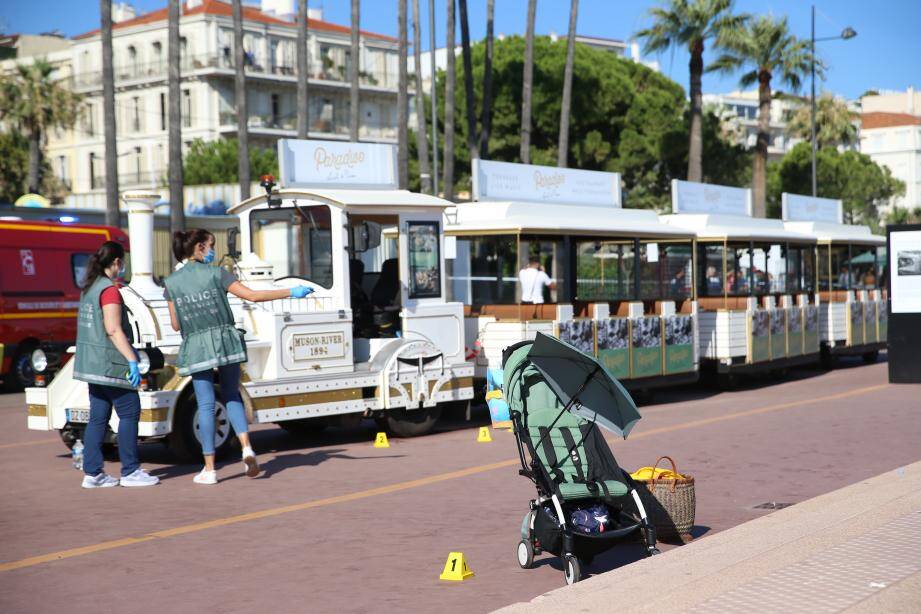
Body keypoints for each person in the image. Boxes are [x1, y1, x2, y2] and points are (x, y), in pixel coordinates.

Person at [164, 229, 314, 485]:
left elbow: (176, 325)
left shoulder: (171, 283)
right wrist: (292, 292)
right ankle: (246, 447)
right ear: (200, 247)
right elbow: (253, 296)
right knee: (231, 393)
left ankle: (210, 469)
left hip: (197, 344)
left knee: (206, 404)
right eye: (210, 246)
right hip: (225, 340)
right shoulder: (217, 274)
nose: (213, 251)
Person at [73, 241, 160, 488]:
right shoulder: (109, 290)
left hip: (90, 364)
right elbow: (113, 328)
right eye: (123, 262)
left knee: (98, 418)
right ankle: (131, 470)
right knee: (130, 412)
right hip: (110, 363)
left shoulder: (89, 288)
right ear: (116, 263)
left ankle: (93, 473)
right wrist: (132, 359)